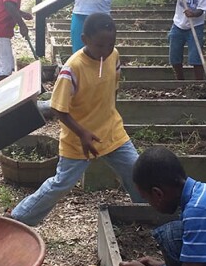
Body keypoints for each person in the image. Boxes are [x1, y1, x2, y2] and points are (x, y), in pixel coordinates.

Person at [11, 13, 143, 226]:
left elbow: (113, 89)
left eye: (110, 44)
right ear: (85, 40)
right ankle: (21, 217)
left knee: (135, 170)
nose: (105, 51)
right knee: (62, 183)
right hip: (79, 138)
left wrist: (108, 115)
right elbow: (57, 107)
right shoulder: (73, 68)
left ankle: (146, 213)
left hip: (111, 131)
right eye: (100, 45)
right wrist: (82, 132)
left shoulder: (113, 56)